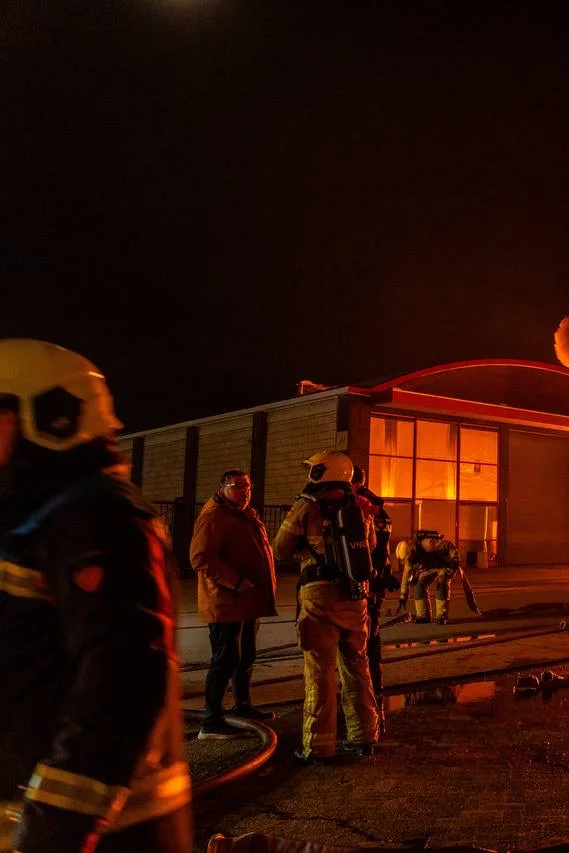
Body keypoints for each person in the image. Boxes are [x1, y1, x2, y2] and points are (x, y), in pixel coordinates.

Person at [0, 339, 192, 852]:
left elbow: (120, 679)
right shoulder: (36, 516)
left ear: (53, 418)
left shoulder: (94, 520)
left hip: (104, 831)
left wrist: (55, 824)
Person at [272, 450, 379, 765]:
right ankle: (364, 737)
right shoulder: (359, 507)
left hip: (320, 597)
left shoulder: (307, 507)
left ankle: (318, 746)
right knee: (358, 668)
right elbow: (369, 549)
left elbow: (280, 550)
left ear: (320, 472)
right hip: (356, 596)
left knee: (320, 672)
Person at [189, 468, 279, 739]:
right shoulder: (214, 516)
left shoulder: (244, 514)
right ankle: (211, 721)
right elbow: (200, 557)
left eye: (248, 485)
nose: (245, 491)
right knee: (225, 660)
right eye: (237, 486)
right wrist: (236, 582)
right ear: (223, 487)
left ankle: (242, 706)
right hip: (227, 602)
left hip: (248, 601)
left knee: (246, 656)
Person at [351, 464, 392, 733]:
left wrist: (375, 588)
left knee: (365, 651)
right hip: (367, 589)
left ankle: (369, 706)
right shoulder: (374, 509)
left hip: (362, 591)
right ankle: (371, 705)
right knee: (366, 651)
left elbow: (377, 553)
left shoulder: (366, 509)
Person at [396, 529, 461, 624]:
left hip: (444, 565)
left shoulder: (427, 545)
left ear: (413, 551)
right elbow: (405, 578)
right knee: (419, 586)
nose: (409, 562)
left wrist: (454, 561)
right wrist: (403, 598)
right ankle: (423, 616)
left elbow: (449, 545)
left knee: (442, 582)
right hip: (429, 568)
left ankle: (442, 616)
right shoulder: (409, 560)